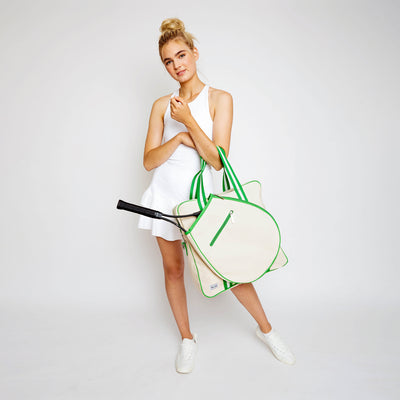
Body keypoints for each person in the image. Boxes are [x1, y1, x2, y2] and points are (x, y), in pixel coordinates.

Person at [137, 17, 295, 373]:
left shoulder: (220, 99)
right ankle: (187, 339)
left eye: (181, 55)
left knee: (233, 268)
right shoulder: (161, 105)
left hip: (201, 202)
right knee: (174, 271)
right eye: (168, 60)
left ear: (194, 53)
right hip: (163, 198)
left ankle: (267, 331)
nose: (176, 65)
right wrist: (176, 138)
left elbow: (218, 161)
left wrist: (189, 122)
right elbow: (148, 161)